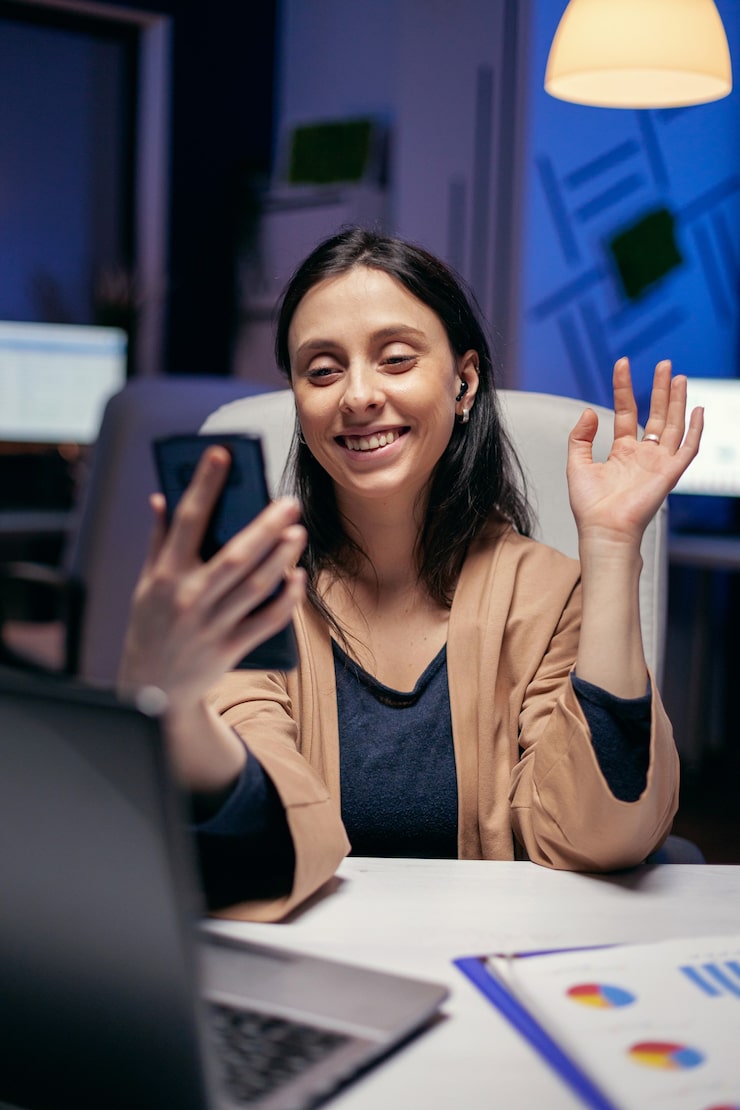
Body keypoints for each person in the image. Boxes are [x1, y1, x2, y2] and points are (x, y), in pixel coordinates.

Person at [119, 228, 703, 922]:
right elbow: (257, 818)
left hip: (497, 963)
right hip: (314, 969)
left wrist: (610, 550)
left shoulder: (549, 592)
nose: (358, 395)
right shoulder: (256, 596)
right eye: (322, 369)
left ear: (464, 381)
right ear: (299, 402)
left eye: (395, 359)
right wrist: (179, 710)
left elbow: (597, 835)